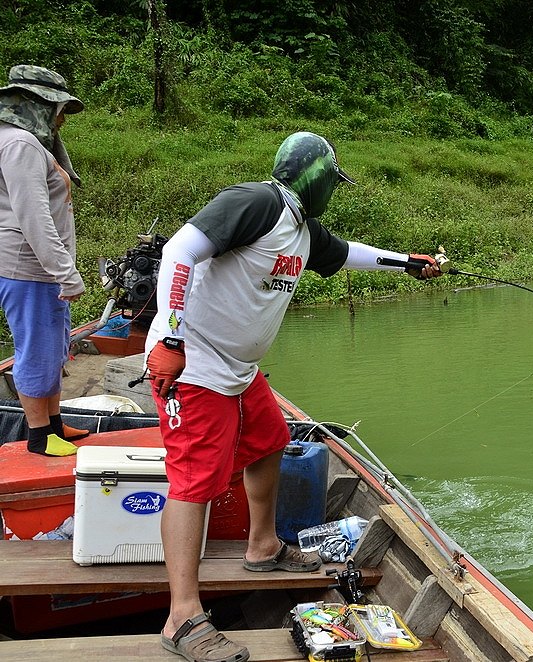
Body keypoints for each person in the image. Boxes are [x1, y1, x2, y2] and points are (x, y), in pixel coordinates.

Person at [145, 131, 441, 662]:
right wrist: (169, 336)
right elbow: (179, 251)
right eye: (333, 182)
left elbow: (350, 255)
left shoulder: (303, 230)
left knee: (270, 438)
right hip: (194, 363)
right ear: (319, 179)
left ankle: (262, 547)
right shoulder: (257, 202)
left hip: (240, 368)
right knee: (195, 479)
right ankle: (182, 618)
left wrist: (408, 262)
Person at [0, 64, 90, 457]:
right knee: (36, 348)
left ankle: (54, 426)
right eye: (59, 111)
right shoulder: (19, 144)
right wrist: (65, 274)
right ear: (36, 105)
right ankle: (39, 438)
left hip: (40, 268)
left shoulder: (26, 142)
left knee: (53, 346)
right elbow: (33, 217)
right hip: (28, 266)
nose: (62, 120)